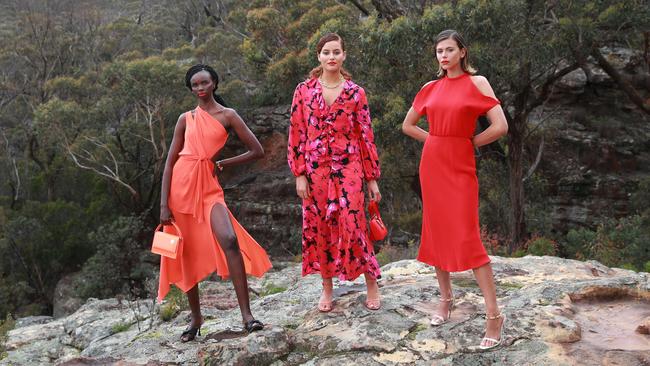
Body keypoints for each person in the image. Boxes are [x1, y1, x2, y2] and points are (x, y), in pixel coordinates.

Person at [401, 30, 509, 350]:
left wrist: (468, 143)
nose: (443, 56)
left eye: (449, 50)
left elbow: (500, 126)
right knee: (437, 233)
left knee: (467, 236)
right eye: (439, 51)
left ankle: (494, 315)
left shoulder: (478, 83)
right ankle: (446, 299)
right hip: (432, 165)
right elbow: (408, 125)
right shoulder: (429, 88)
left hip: (460, 165)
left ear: (462, 52)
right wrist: (436, 142)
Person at [158, 64, 272, 342]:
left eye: (204, 83)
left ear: (214, 84)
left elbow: (257, 150)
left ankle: (247, 316)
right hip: (180, 188)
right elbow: (170, 162)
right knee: (186, 254)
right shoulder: (185, 119)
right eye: (194, 85)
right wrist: (163, 205)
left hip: (208, 189)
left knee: (229, 239)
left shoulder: (228, 116)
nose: (200, 88)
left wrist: (222, 162)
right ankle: (196, 318)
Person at [288, 33, 382, 312]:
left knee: (354, 226)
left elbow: (366, 136)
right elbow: (296, 133)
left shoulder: (356, 93)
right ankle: (327, 289)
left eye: (336, 52)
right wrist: (299, 174)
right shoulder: (303, 91)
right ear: (319, 56)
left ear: (344, 55)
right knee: (320, 229)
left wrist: (371, 179)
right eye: (326, 52)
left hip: (349, 168)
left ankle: (372, 284)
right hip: (315, 172)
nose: (331, 56)